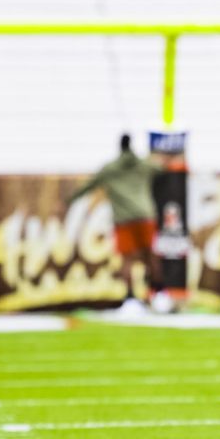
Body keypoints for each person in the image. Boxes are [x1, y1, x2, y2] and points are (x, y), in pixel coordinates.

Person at [68, 134, 162, 313]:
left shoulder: (110, 169)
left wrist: (70, 199)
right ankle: (158, 295)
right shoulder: (143, 164)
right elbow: (160, 169)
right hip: (145, 216)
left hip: (123, 219)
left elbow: (90, 185)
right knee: (151, 257)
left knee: (127, 260)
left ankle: (130, 298)